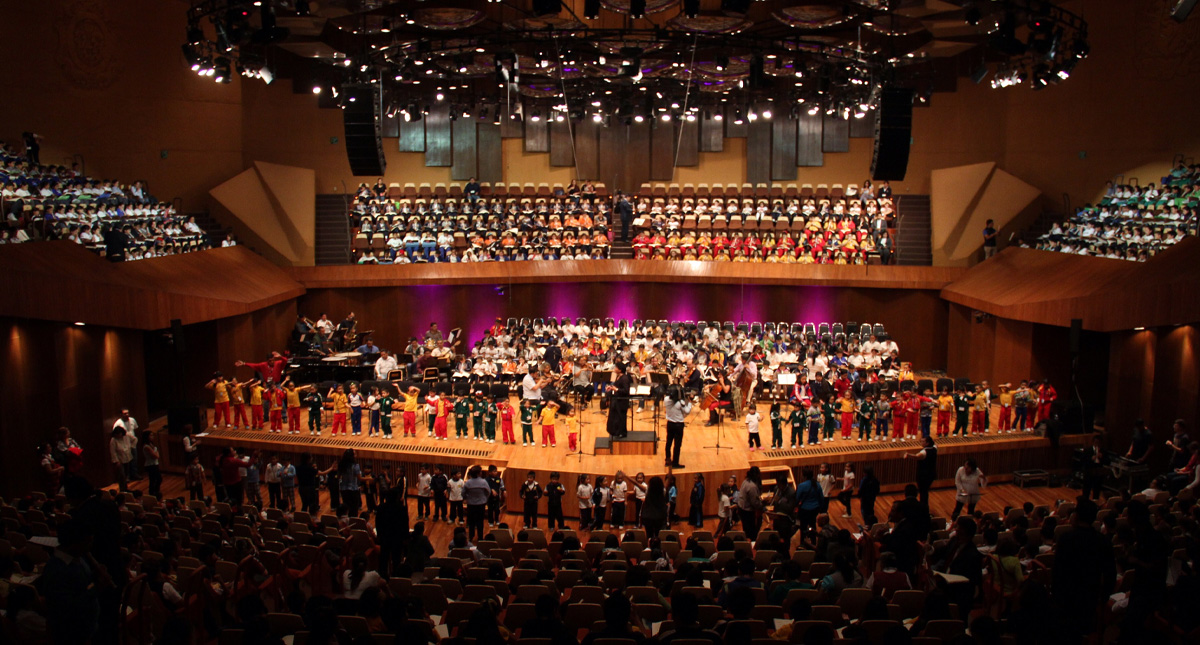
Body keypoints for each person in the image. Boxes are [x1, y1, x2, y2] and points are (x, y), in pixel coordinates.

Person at [905, 435, 938, 505]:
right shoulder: (934, 448)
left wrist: (908, 455)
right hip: (931, 474)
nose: (921, 442)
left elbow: (917, 457)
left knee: (923, 493)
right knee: (925, 492)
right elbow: (936, 445)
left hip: (923, 476)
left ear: (927, 443)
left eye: (923, 441)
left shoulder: (924, 452)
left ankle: (924, 508)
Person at [664, 385, 691, 468]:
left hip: (670, 424)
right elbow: (687, 411)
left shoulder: (666, 399)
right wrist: (689, 403)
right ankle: (675, 463)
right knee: (677, 445)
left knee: (668, 442)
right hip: (678, 425)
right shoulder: (680, 403)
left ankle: (667, 460)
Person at [464, 465, 491, 542]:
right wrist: (484, 499)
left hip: (471, 504)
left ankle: (471, 537)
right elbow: (488, 492)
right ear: (479, 473)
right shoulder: (483, 482)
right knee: (480, 521)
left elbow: (463, 493)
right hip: (481, 504)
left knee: (471, 521)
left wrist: (467, 498)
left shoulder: (468, 483)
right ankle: (480, 537)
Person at [606, 362, 632, 438]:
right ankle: (616, 432)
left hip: (622, 401)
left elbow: (626, 391)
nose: (614, 368)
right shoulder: (619, 377)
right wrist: (611, 387)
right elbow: (617, 386)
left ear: (620, 370)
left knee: (621, 417)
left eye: (616, 367)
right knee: (616, 417)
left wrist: (616, 389)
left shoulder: (624, 378)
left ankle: (622, 433)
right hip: (617, 400)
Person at [737, 467, 764, 540]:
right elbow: (755, 503)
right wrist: (762, 505)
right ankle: (752, 544)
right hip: (747, 511)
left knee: (746, 529)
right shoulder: (752, 486)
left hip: (741, 508)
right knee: (752, 532)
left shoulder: (745, 481)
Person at [142, 434, 162, 499]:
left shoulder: (151, 445)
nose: (152, 436)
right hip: (151, 465)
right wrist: (156, 451)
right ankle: (153, 493)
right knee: (154, 479)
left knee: (157, 479)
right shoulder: (146, 446)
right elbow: (156, 456)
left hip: (155, 464)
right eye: (150, 435)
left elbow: (157, 455)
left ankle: (155, 492)